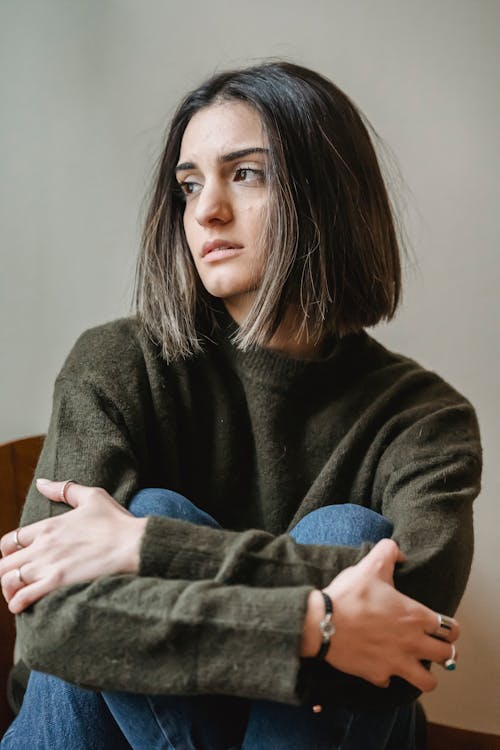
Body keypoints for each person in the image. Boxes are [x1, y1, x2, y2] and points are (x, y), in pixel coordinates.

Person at [0, 62, 481, 749]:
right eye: (189, 185)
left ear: (330, 194)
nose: (206, 210)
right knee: (159, 506)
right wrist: (313, 623)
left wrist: (145, 547)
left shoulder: (424, 417)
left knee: (344, 528)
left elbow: (417, 627)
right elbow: (53, 622)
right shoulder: (115, 363)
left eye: (246, 173)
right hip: (93, 727)